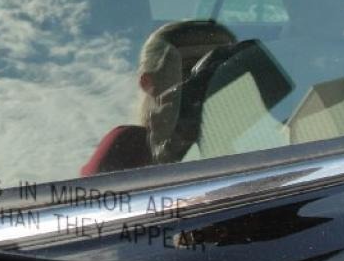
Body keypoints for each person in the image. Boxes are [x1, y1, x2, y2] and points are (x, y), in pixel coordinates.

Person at [81, 20, 236, 175]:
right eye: (191, 70)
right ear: (149, 83)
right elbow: (107, 197)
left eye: (225, 67)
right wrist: (164, 152)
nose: (212, 80)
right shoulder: (130, 146)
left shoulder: (249, 144)